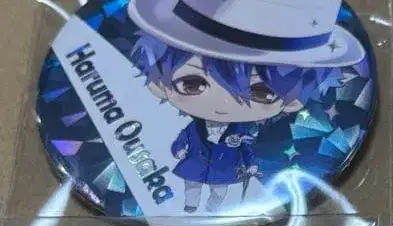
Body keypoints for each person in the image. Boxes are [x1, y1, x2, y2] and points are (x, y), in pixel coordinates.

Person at [131, 35, 346, 212]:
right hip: (194, 166)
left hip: (224, 170)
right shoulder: (193, 127)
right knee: (191, 187)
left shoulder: (241, 132)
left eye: (261, 92)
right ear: (158, 86)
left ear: (293, 102)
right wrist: (178, 149)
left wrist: (251, 164)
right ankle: (190, 206)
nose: (222, 104)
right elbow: (183, 139)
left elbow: (246, 149)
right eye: (191, 84)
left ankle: (213, 208)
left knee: (219, 191)